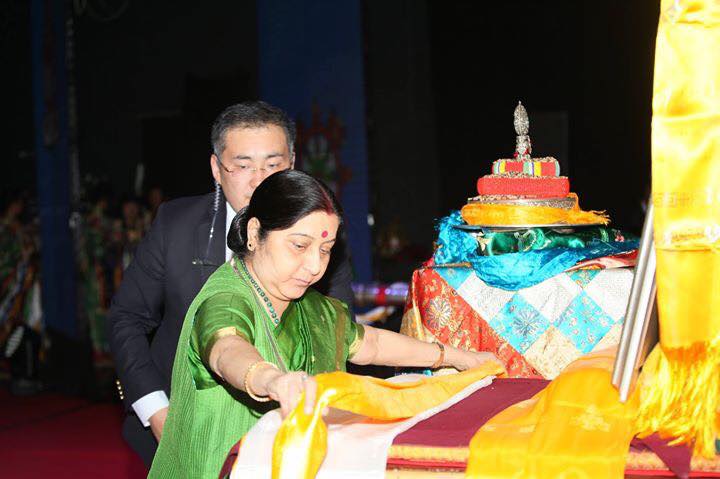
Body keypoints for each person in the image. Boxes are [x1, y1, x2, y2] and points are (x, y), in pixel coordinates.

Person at [148, 170, 501, 478]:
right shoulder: (226, 299)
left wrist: (456, 357)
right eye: (299, 246)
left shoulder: (309, 306)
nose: (315, 266)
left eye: (325, 248)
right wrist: (270, 379)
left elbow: (371, 344)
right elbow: (227, 348)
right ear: (255, 233)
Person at [107, 102, 355, 466]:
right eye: (242, 166)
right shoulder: (176, 225)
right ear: (216, 169)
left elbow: (341, 332)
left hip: (285, 426)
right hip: (178, 420)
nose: (259, 181)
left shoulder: (319, 234)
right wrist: (158, 412)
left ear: (292, 164)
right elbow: (126, 317)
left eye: (273, 165)